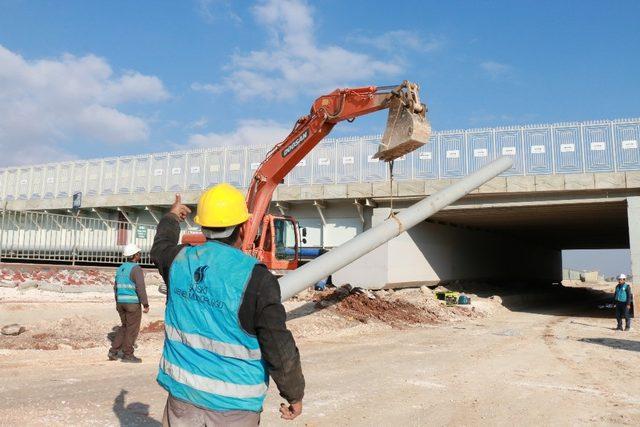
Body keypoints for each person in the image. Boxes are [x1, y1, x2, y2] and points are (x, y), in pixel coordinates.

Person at [151, 185, 305, 426]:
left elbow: (160, 246)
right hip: (234, 408)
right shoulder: (257, 278)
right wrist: (294, 393)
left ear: (202, 226)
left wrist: (171, 217)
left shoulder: (177, 261)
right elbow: (277, 343)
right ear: (243, 228)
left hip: (183, 396)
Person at [108, 243, 149, 363]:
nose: (140, 255)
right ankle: (128, 354)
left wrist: (117, 303)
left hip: (121, 302)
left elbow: (115, 287)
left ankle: (113, 351)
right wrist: (145, 303)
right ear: (135, 255)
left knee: (124, 327)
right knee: (132, 329)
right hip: (132, 304)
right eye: (139, 253)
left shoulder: (121, 268)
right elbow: (140, 287)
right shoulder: (136, 269)